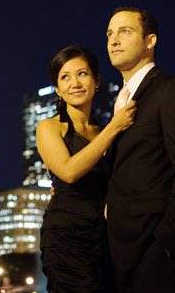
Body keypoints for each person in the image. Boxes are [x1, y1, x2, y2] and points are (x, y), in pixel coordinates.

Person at [104, 7, 175, 293]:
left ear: (150, 41)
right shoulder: (121, 101)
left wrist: (165, 242)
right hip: (120, 253)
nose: (113, 40)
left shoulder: (172, 91)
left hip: (157, 252)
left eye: (124, 32)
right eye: (110, 34)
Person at [37, 45, 136, 293]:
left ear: (97, 80)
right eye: (65, 77)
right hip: (65, 237)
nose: (75, 83)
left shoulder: (105, 130)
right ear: (58, 89)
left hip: (104, 238)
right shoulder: (50, 127)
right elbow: (69, 172)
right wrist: (114, 127)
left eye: (82, 73)